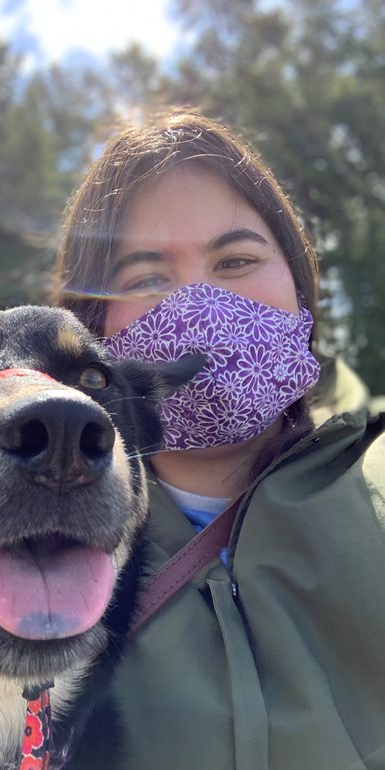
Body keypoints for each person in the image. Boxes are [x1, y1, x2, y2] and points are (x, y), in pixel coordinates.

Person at [52, 109, 385, 770]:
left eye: (236, 259)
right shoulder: (32, 549)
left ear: (300, 290)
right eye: (147, 276)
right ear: (93, 325)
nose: (202, 304)